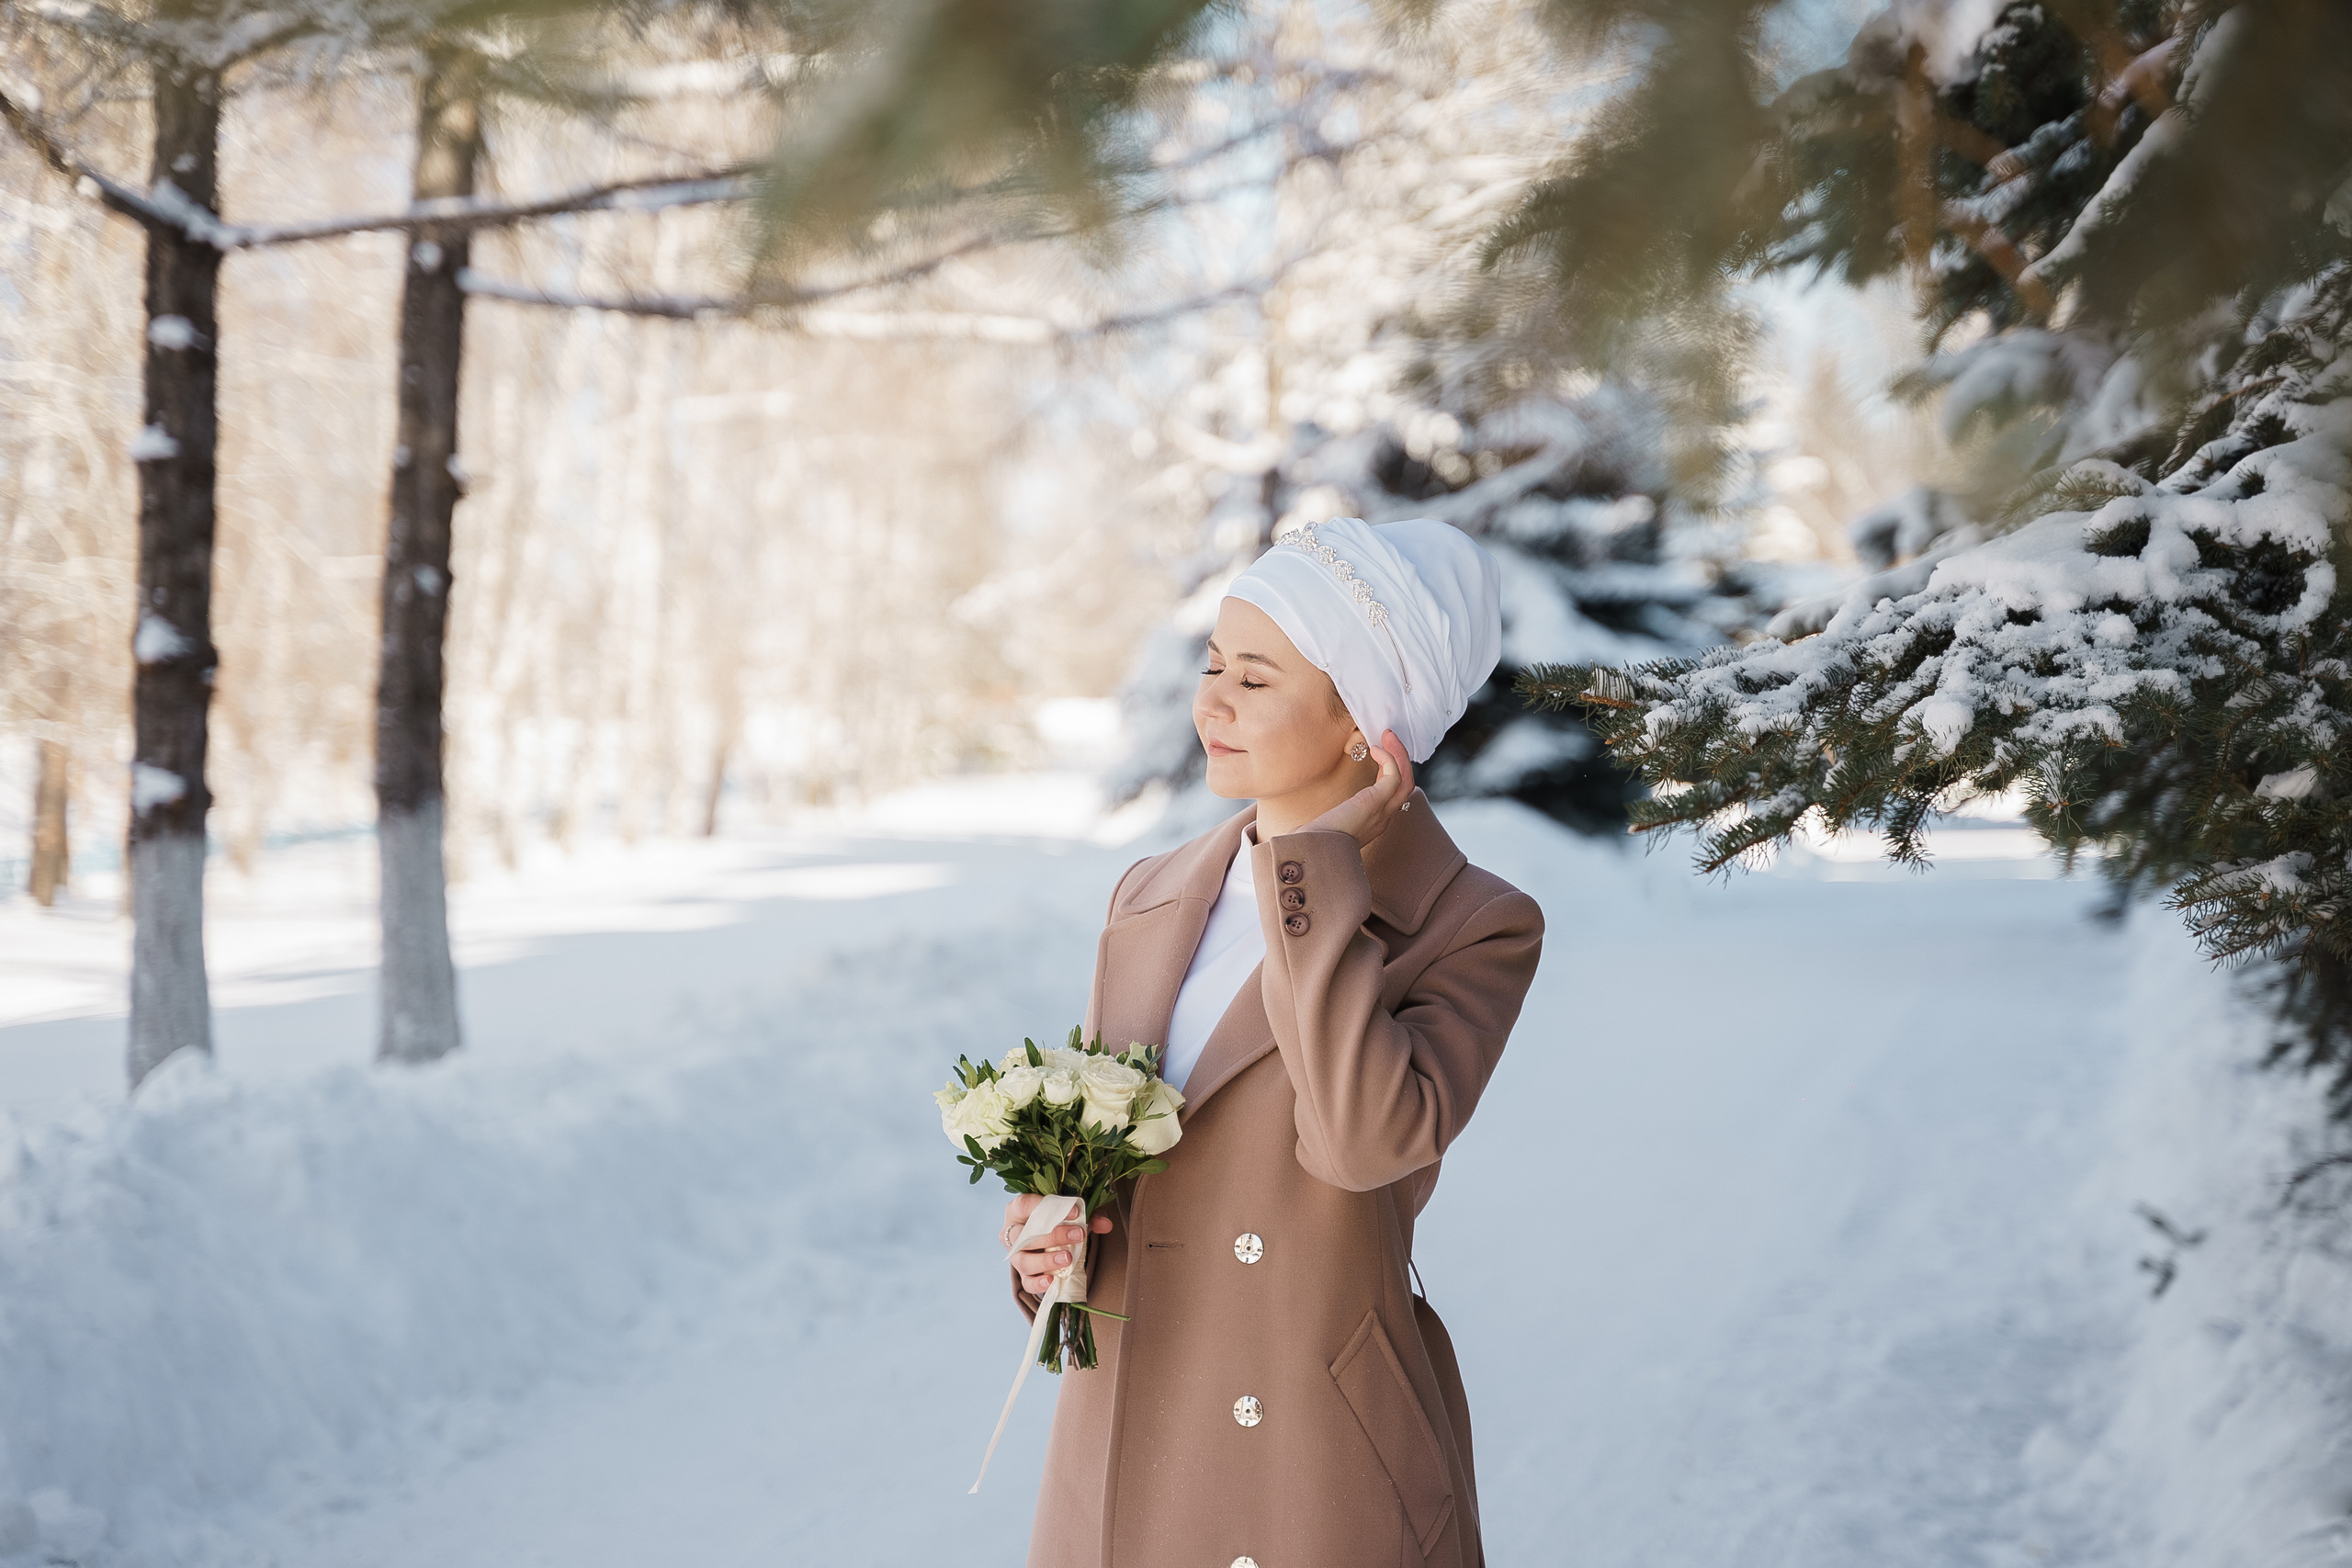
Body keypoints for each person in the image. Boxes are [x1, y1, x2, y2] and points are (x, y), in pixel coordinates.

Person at [999, 516, 1544, 1568]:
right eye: (1211, 666)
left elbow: (1359, 1145)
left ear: (1362, 721)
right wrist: (1045, 1246)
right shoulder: (1150, 894)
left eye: (1255, 680)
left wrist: (1311, 877)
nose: (1209, 703)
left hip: (1307, 1444)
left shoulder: (1470, 922)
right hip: (1128, 1430)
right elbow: (1121, 1181)